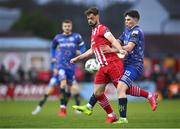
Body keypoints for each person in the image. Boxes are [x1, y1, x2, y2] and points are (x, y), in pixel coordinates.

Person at [72, 9, 158, 124]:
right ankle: (104, 112)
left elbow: (120, 43)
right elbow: (113, 41)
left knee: (122, 88)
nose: (126, 22)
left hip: (127, 64)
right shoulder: (122, 31)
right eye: (125, 20)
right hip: (110, 65)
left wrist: (115, 49)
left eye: (128, 20)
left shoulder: (133, 32)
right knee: (98, 92)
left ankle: (124, 117)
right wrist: (78, 58)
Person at [70, 7, 127, 123]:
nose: (90, 21)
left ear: (97, 17)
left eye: (91, 18)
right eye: (88, 19)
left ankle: (148, 95)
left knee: (126, 90)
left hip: (112, 64)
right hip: (102, 67)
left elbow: (113, 39)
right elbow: (92, 50)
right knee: (97, 92)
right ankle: (110, 114)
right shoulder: (93, 32)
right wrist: (78, 58)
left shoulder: (102, 28)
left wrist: (120, 49)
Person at [32, 19, 86, 116]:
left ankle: (69, 107)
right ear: (62, 27)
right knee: (57, 86)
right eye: (65, 26)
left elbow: (83, 47)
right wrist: (53, 59)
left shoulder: (76, 36)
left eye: (69, 26)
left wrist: (80, 53)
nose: (67, 28)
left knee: (72, 90)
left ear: (71, 27)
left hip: (71, 66)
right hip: (60, 66)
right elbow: (52, 47)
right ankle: (45, 108)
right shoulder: (58, 38)